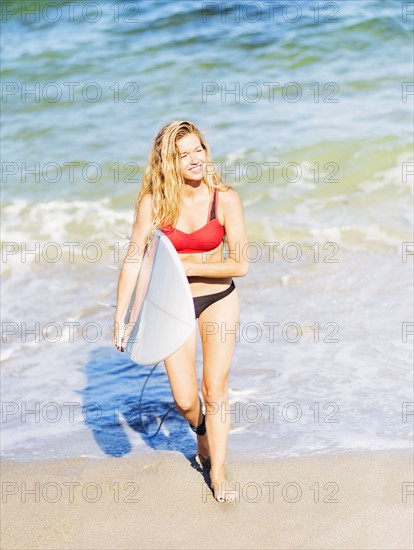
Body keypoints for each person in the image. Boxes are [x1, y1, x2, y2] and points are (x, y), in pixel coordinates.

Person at [113, 121, 249, 503]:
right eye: (183, 154)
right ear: (168, 163)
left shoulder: (224, 199)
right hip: (173, 305)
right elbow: (134, 258)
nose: (194, 159)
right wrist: (122, 316)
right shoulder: (154, 203)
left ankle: (218, 473)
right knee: (186, 400)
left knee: (215, 388)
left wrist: (189, 267)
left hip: (219, 299)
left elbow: (240, 264)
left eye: (198, 150)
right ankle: (202, 432)